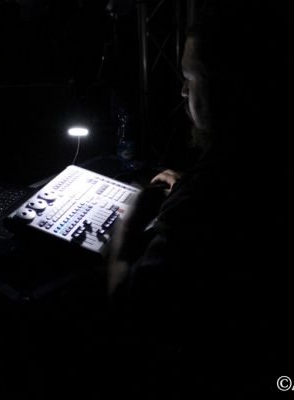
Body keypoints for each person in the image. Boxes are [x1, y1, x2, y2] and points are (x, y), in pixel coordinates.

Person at [107, 3, 293, 396]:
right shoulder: (261, 154)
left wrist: (125, 230)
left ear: (227, 89)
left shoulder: (205, 197)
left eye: (191, 78)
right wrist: (186, 187)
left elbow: (130, 312)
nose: (182, 92)